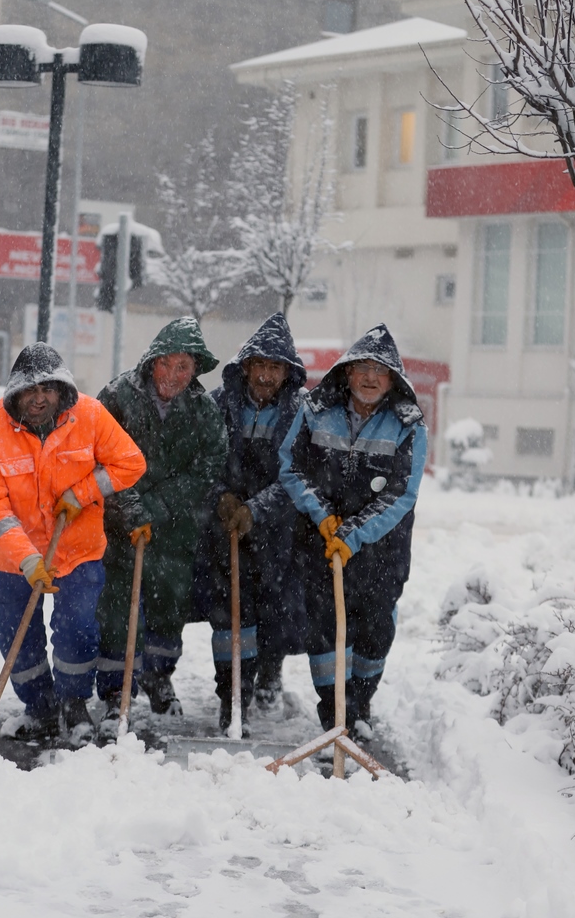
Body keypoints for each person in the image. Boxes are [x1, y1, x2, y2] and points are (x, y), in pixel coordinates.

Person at [0, 342, 146, 741]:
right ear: (15, 393)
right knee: (18, 636)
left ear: (62, 388)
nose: (39, 398)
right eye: (29, 391)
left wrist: (82, 493)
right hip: (15, 559)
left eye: (48, 388)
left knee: (78, 630)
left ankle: (73, 702)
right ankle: (39, 707)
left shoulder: (89, 415)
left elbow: (130, 462)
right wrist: (27, 559)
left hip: (78, 550)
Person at [278, 323, 427, 739]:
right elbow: (290, 466)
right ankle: (333, 715)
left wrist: (353, 533)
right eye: (361, 367)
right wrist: (324, 516)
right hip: (319, 545)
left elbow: (402, 494)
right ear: (346, 372)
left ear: (393, 379)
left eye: (379, 371)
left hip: (383, 550)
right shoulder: (315, 410)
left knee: (375, 631)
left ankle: (359, 703)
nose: (369, 377)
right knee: (324, 631)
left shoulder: (409, 426)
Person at [96, 317, 228, 716]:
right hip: (119, 529)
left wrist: (157, 506)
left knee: (168, 607)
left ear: (195, 369)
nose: (172, 375)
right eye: (165, 364)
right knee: (117, 609)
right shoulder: (117, 396)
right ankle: (116, 692)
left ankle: (158, 678)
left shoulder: (204, 411)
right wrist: (131, 506)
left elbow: (210, 464)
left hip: (174, 531)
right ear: (152, 362)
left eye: (183, 367)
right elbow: (96, 453)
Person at [197, 313, 307, 734]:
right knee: (228, 618)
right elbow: (204, 460)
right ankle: (230, 696)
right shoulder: (219, 403)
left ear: (287, 372)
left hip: (279, 532)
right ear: (245, 366)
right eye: (259, 365)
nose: (265, 375)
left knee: (276, 612)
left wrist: (256, 510)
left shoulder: (300, 412)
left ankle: (268, 677)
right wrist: (222, 498)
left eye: (275, 367)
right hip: (222, 529)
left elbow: (299, 475)